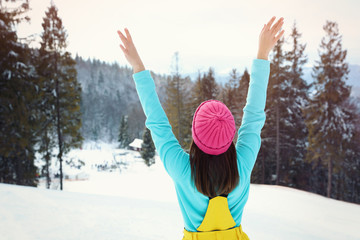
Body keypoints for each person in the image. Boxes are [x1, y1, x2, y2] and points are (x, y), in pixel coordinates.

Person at [117, 16, 284, 240]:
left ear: (196, 137)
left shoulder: (183, 171)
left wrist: (138, 66)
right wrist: (263, 54)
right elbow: (254, 115)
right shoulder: (242, 166)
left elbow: (157, 123)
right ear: (230, 137)